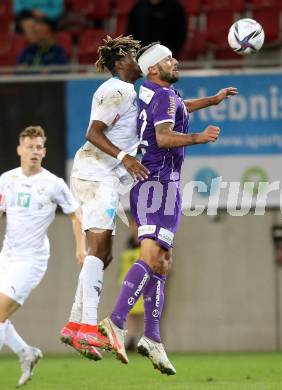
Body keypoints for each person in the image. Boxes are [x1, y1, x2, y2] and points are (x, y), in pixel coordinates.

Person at [100, 42, 238, 374]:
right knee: (150, 259)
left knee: (163, 262)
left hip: (164, 186)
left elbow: (179, 106)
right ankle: (116, 321)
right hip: (156, 184)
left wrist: (211, 100)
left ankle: (152, 337)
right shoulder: (160, 95)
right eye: (168, 59)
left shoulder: (155, 92)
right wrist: (197, 137)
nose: (175, 62)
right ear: (152, 69)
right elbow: (163, 137)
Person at [60, 35, 149, 361]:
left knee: (104, 255)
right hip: (96, 175)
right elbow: (93, 132)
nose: (138, 57)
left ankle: (74, 324)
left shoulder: (130, 92)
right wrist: (125, 157)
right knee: (99, 250)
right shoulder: (115, 90)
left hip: (102, 177)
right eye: (131, 53)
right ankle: (85, 327)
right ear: (119, 63)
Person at [0, 126, 84, 387]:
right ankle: (27, 352)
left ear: (44, 151)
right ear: (19, 150)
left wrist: (81, 247)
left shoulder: (53, 183)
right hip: (7, 255)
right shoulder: (6, 179)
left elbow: (75, 214)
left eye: (38, 147)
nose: (34, 151)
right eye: (29, 146)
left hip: (31, 261)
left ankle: (26, 353)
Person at [118, 216, 144, 352]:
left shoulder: (147, 241)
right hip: (129, 283)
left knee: (145, 311)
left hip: (143, 282)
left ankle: (146, 339)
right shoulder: (129, 242)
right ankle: (132, 339)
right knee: (131, 312)